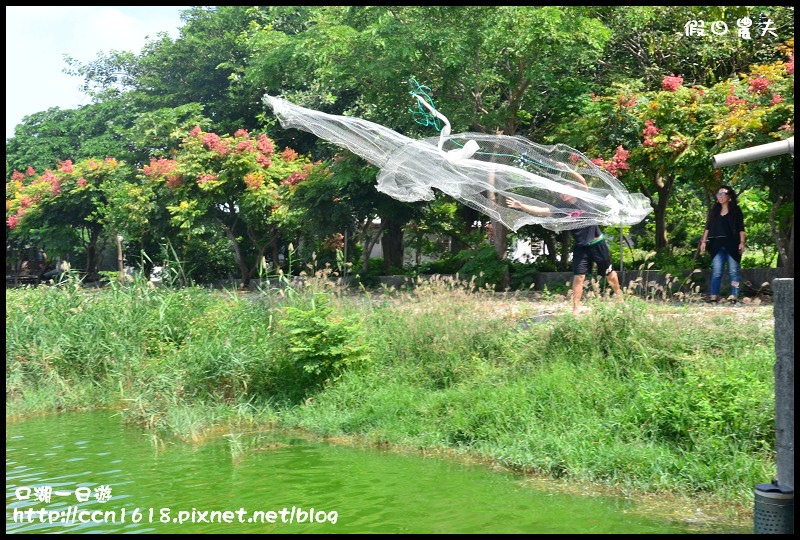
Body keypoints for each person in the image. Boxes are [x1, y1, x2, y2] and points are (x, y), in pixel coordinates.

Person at [506, 162, 623, 315]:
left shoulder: (583, 198)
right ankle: (575, 309)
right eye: (561, 193)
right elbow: (541, 211)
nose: (563, 194)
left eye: (566, 191)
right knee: (578, 277)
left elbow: (582, 182)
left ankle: (620, 298)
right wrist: (521, 206)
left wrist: (569, 170)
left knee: (609, 274)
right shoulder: (562, 209)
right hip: (581, 247)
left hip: (597, 244)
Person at [699, 185, 746, 304]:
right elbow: (708, 227)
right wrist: (703, 241)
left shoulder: (736, 210)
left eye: (723, 194)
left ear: (729, 196)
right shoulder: (714, 211)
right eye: (718, 194)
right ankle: (713, 297)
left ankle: (734, 297)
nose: (720, 196)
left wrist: (742, 242)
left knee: (733, 272)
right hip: (716, 245)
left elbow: (741, 228)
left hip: (732, 244)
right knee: (716, 272)